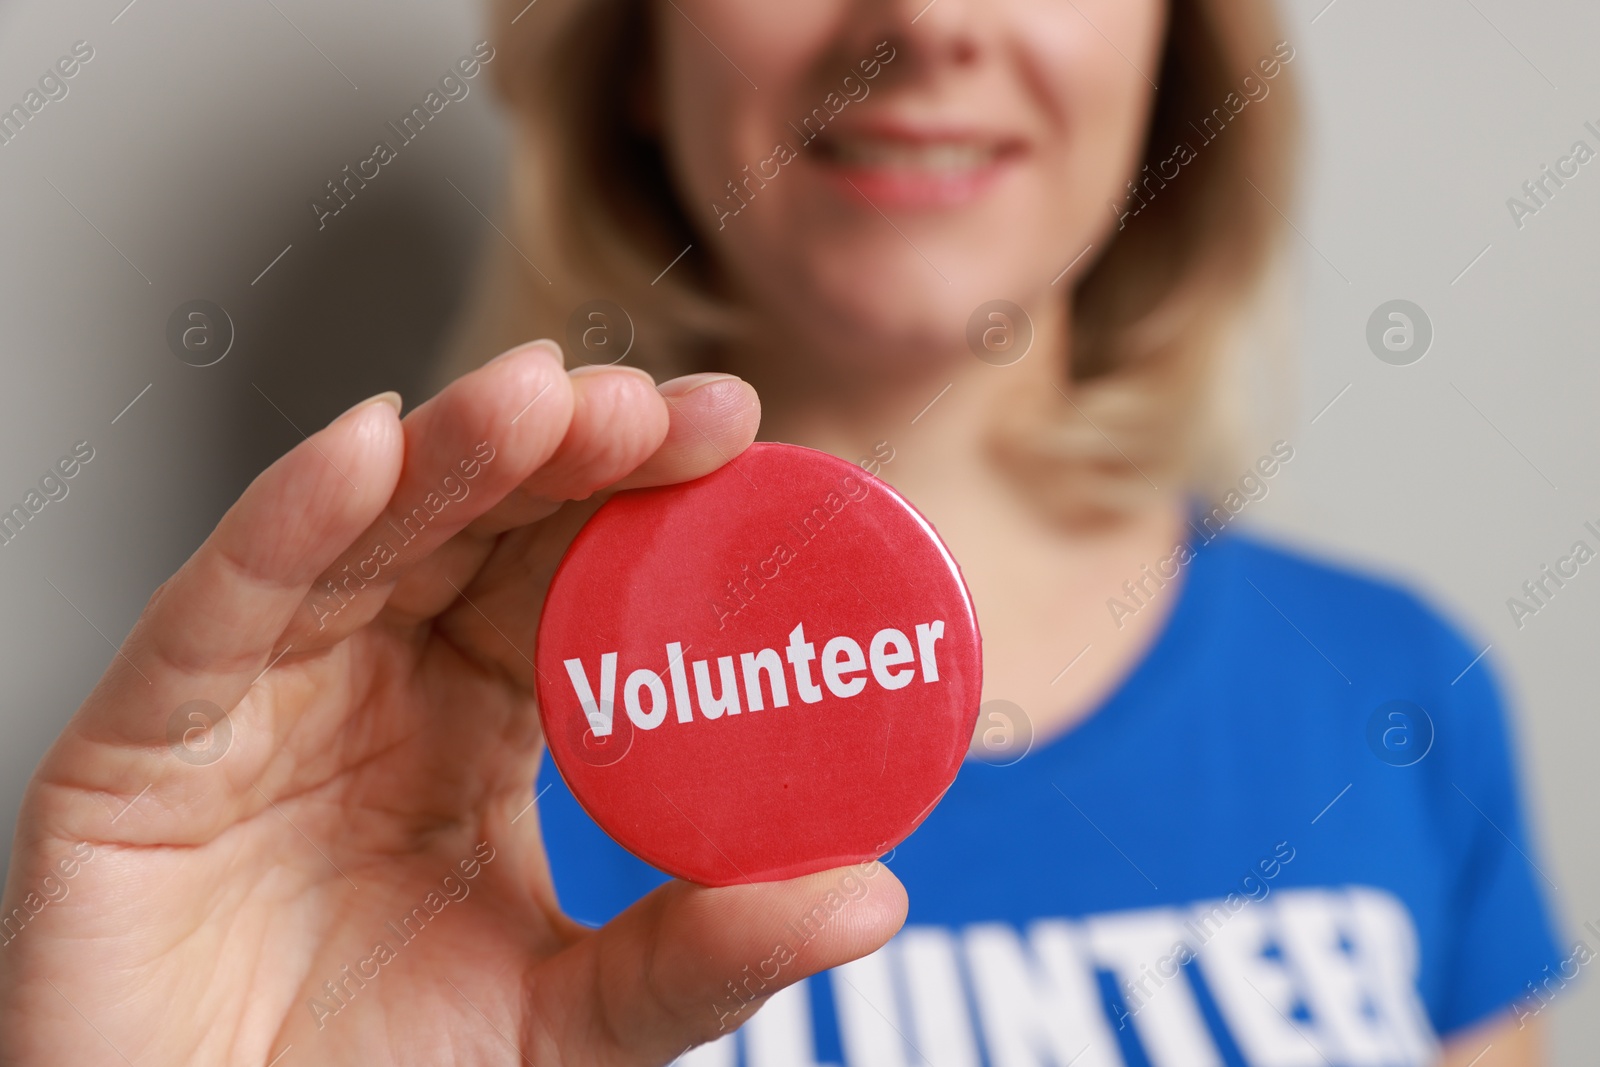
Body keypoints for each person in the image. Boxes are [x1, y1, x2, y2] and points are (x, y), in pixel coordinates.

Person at [0, 0, 1562, 1064]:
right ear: (632, 45)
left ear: (1170, 46)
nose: (926, 22)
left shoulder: (1396, 694)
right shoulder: (367, 775)